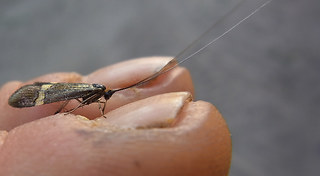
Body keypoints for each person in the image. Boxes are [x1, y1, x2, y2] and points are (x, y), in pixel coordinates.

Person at [0, 57, 231, 175]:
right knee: (67, 98)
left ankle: (61, 108)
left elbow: (88, 101)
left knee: (68, 100)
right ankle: (58, 108)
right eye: (107, 96)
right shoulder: (98, 91)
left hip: (59, 93)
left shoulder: (98, 93)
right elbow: (82, 99)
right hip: (52, 94)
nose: (106, 98)